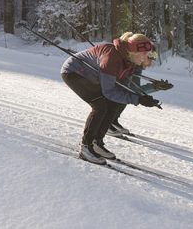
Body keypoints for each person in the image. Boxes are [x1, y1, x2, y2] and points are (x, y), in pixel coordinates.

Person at [60, 32, 161, 165]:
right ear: (134, 51)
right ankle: (86, 147)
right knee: (100, 106)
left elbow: (124, 89)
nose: (147, 58)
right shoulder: (112, 58)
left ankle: (97, 142)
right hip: (74, 72)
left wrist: (144, 97)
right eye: (145, 54)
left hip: (92, 76)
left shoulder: (130, 61)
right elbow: (109, 92)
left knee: (113, 103)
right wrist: (138, 99)